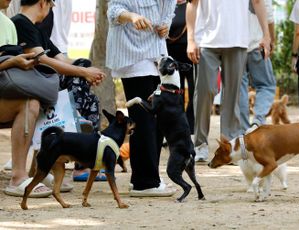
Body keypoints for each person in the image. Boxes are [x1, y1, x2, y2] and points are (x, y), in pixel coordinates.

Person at [11, 0, 105, 181]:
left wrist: (87, 70)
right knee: (79, 84)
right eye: (51, 6)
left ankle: (78, 128)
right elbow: (42, 60)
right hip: (33, 83)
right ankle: (75, 128)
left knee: (89, 96)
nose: (50, 11)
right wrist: (83, 72)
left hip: (46, 82)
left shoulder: (37, 29)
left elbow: (62, 59)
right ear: (42, 3)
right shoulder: (20, 23)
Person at [106, 0, 177, 197]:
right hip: (132, 55)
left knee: (156, 118)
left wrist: (165, 27)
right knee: (144, 119)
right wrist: (132, 16)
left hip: (156, 54)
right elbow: (113, 10)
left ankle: (146, 176)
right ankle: (145, 182)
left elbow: (168, 13)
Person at [186, 0, 271, 162]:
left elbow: (258, 2)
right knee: (205, 91)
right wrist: (191, 39)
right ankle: (200, 144)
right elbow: (192, 4)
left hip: (237, 40)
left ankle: (230, 144)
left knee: (233, 96)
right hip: (206, 40)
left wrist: (266, 35)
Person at [1, 0, 52, 197]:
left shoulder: (8, 24)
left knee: (33, 101)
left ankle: (21, 176)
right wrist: (12, 61)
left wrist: (19, 62)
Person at [239, 0, 276, 134]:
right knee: (267, 85)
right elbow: (269, 16)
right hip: (257, 44)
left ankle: (243, 129)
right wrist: (271, 39)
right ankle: (258, 121)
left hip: (236, 46)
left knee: (240, 88)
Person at [166, 0, 195, 134]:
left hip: (191, 54)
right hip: (172, 55)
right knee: (177, 93)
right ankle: (178, 126)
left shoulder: (191, 4)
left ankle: (191, 127)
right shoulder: (168, 6)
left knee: (193, 90)